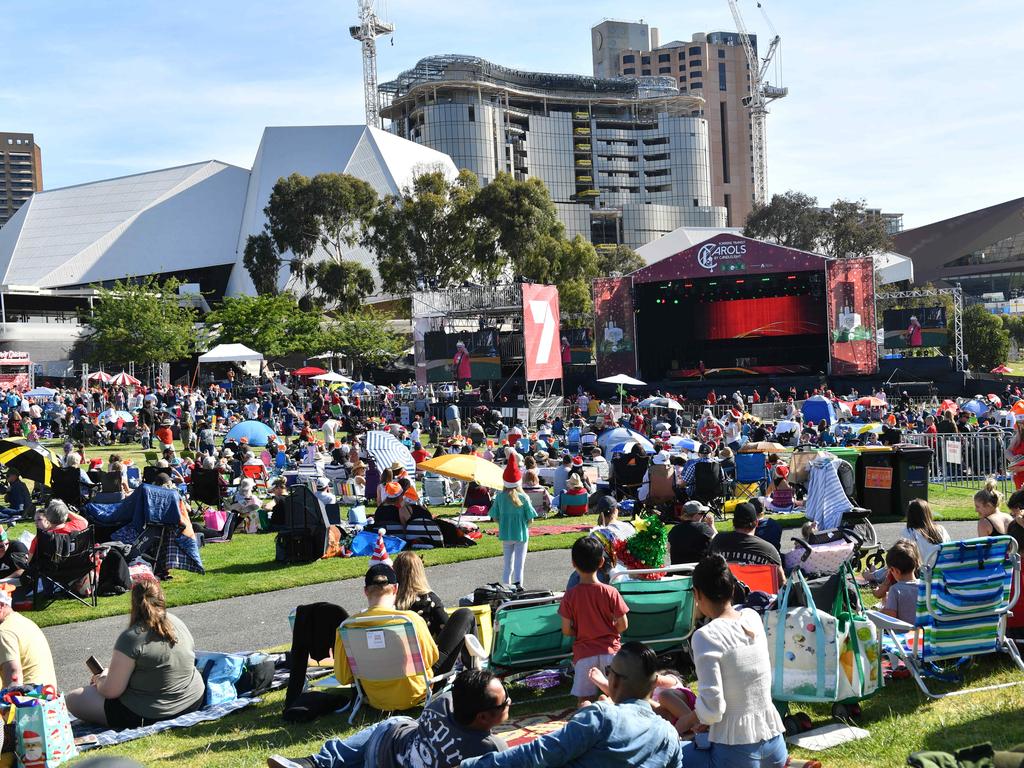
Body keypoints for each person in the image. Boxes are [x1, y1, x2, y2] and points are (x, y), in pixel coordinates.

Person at [460, 641, 683, 768]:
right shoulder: (669, 736)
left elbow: (538, 754)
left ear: (613, 680)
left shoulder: (602, 717)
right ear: (655, 683)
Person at [268, 669, 510, 768]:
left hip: (386, 744)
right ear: (482, 716)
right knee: (397, 723)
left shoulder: (442, 702)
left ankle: (314, 763)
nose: (509, 701)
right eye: (505, 699)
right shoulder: (493, 748)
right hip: (387, 759)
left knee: (398, 723)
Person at [680, 555, 787, 768]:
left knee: (668, 755)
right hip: (775, 747)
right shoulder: (751, 617)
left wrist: (691, 719)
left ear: (697, 594)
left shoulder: (705, 636)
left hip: (737, 753)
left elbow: (713, 709)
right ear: (732, 589)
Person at [331, 564, 474, 713]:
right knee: (464, 615)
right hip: (416, 693)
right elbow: (431, 659)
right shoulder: (410, 620)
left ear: (366, 591)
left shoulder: (347, 627)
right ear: (395, 589)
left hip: (377, 698)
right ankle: (474, 681)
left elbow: (343, 677)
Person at [66, 581, 205, 728]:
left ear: (134, 604)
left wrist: (100, 679)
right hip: (193, 700)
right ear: (161, 598)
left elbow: (112, 691)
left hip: (149, 713)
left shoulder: (131, 638)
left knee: (72, 699)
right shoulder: (177, 621)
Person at [560, 537, 629, 705]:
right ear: (601, 562)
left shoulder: (570, 596)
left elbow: (566, 630)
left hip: (584, 655)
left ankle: (586, 726)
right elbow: (623, 624)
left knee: (584, 700)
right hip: (610, 652)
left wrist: (582, 630)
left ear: (573, 563)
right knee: (617, 697)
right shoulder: (611, 592)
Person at [488, 453, 537, 589]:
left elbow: (495, 517)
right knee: (519, 567)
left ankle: (505, 589)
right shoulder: (524, 498)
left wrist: (504, 524)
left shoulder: (499, 498)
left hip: (506, 534)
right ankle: (518, 589)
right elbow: (531, 519)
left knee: (507, 566)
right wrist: (523, 526)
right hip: (521, 535)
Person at [709, 502, 784, 584]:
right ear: (756, 523)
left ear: (733, 522)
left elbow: (708, 567)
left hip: (723, 593)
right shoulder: (768, 549)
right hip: (756, 594)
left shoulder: (717, 541)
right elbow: (782, 582)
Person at [0, 588, 56, 688]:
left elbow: (14, 676)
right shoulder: (24, 622)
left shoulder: (4, 632)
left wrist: (8, 700)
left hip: (29, 699)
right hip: (49, 696)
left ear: (1, 606)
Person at [394, 551, 450, 638]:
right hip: (426, 649)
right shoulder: (429, 600)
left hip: (398, 649)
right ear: (419, 572)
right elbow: (446, 629)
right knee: (465, 615)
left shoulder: (390, 602)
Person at [873, 540, 920, 625]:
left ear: (895, 571)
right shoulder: (925, 586)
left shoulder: (895, 590)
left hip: (902, 635)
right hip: (923, 634)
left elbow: (890, 616)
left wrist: (879, 612)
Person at [902, 498, 950, 566]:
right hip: (941, 569)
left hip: (922, 572)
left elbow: (907, 558)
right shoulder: (941, 529)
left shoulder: (909, 532)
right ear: (928, 513)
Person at [668, 500, 716, 565]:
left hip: (677, 571)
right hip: (699, 571)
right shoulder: (703, 527)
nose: (703, 516)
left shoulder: (674, 530)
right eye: (702, 513)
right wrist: (711, 525)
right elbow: (718, 542)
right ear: (696, 515)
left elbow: (669, 549)